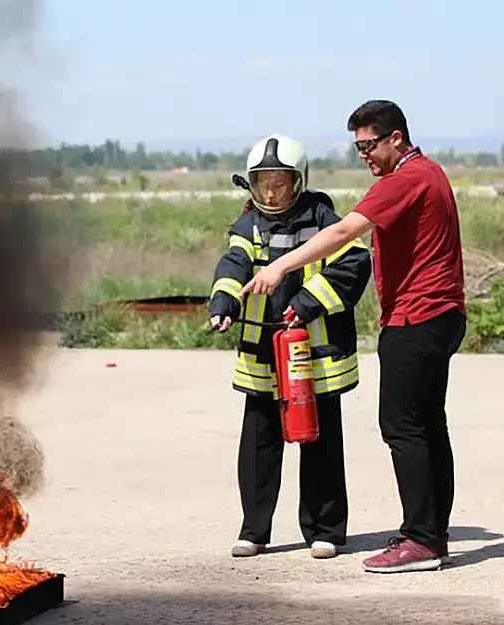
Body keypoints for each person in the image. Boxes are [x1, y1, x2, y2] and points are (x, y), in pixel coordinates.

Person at [241, 101, 467, 574]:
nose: (364, 154)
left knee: (402, 428)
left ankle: (421, 541)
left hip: (415, 319)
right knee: (428, 425)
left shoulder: (405, 179)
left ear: (396, 138)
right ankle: (432, 533)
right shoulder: (432, 173)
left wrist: (283, 264)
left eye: (369, 144)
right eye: (358, 146)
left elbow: (346, 231)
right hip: (443, 316)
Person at [208, 133, 372, 560]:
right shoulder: (248, 224)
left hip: (316, 355)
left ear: (298, 181)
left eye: (279, 182)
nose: (270, 191)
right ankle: (254, 531)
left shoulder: (322, 217)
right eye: (261, 183)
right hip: (263, 352)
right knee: (259, 444)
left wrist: (306, 303)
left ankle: (326, 531)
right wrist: (223, 300)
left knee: (320, 442)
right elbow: (234, 262)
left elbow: (355, 261)